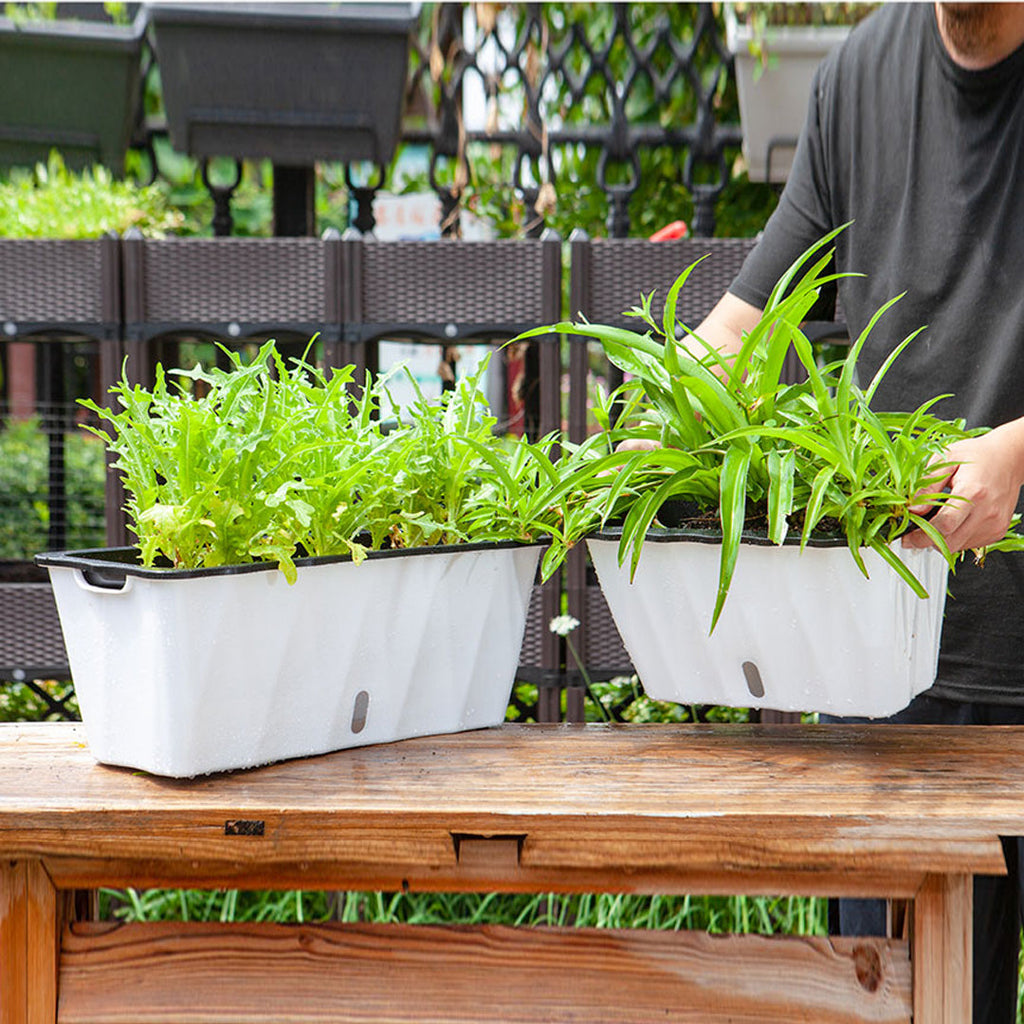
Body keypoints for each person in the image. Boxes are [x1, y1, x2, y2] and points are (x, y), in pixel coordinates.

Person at [691, 4, 1024, 1021]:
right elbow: (740, 329)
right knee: (896, 1003)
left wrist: (1017, 452)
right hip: (887, 669)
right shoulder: (857, 77)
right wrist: (636, 436)